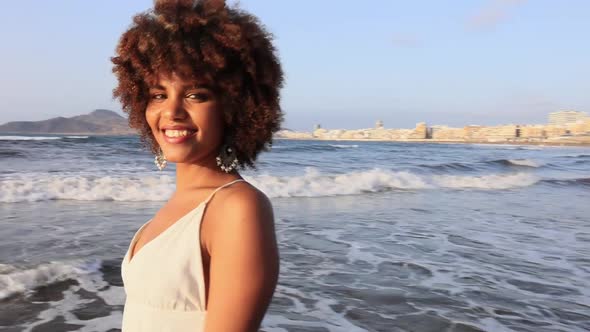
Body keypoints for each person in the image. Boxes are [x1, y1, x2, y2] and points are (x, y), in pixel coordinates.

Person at [111, 0, 283, 330]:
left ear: (233, 107)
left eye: (196, 95)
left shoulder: (237, 206)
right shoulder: (177, 204)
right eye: (159, 95)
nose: (172, 111)